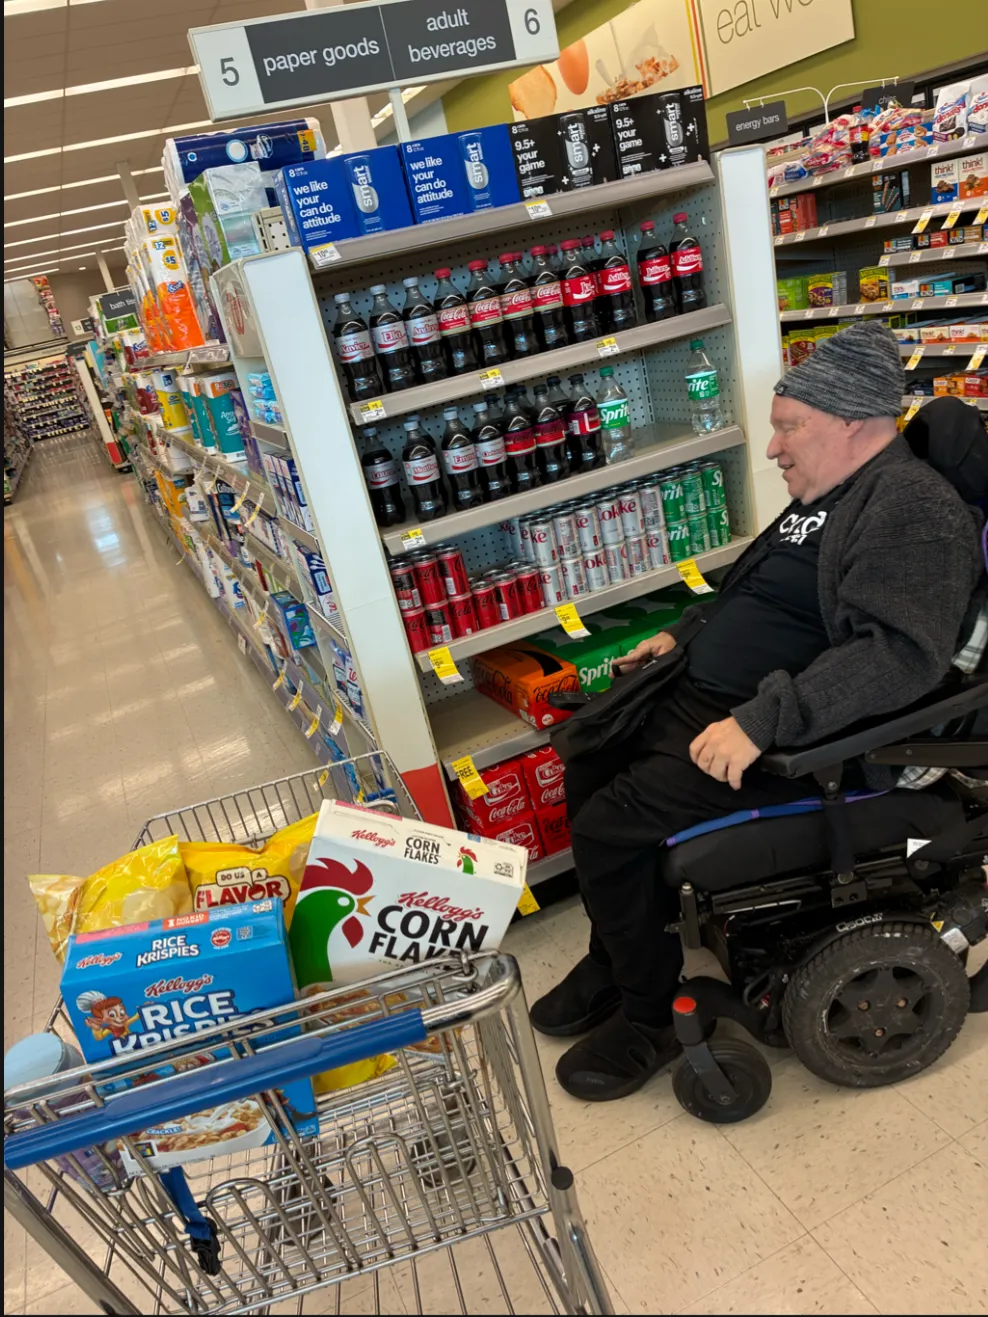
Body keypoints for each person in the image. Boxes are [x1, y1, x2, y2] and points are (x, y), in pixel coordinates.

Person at [531, 321, 983, 1102]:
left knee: (608, 826)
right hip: (715, 696)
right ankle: (617, 956)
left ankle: (647, 1016)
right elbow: (758, 590)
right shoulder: (828, 493)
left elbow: (896, 656)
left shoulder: (912, 507)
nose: (773, 447)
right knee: (588, 752)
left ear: (852, 421)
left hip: (800, 738)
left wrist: (763, 720)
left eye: (788, 427)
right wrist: (681, 635)